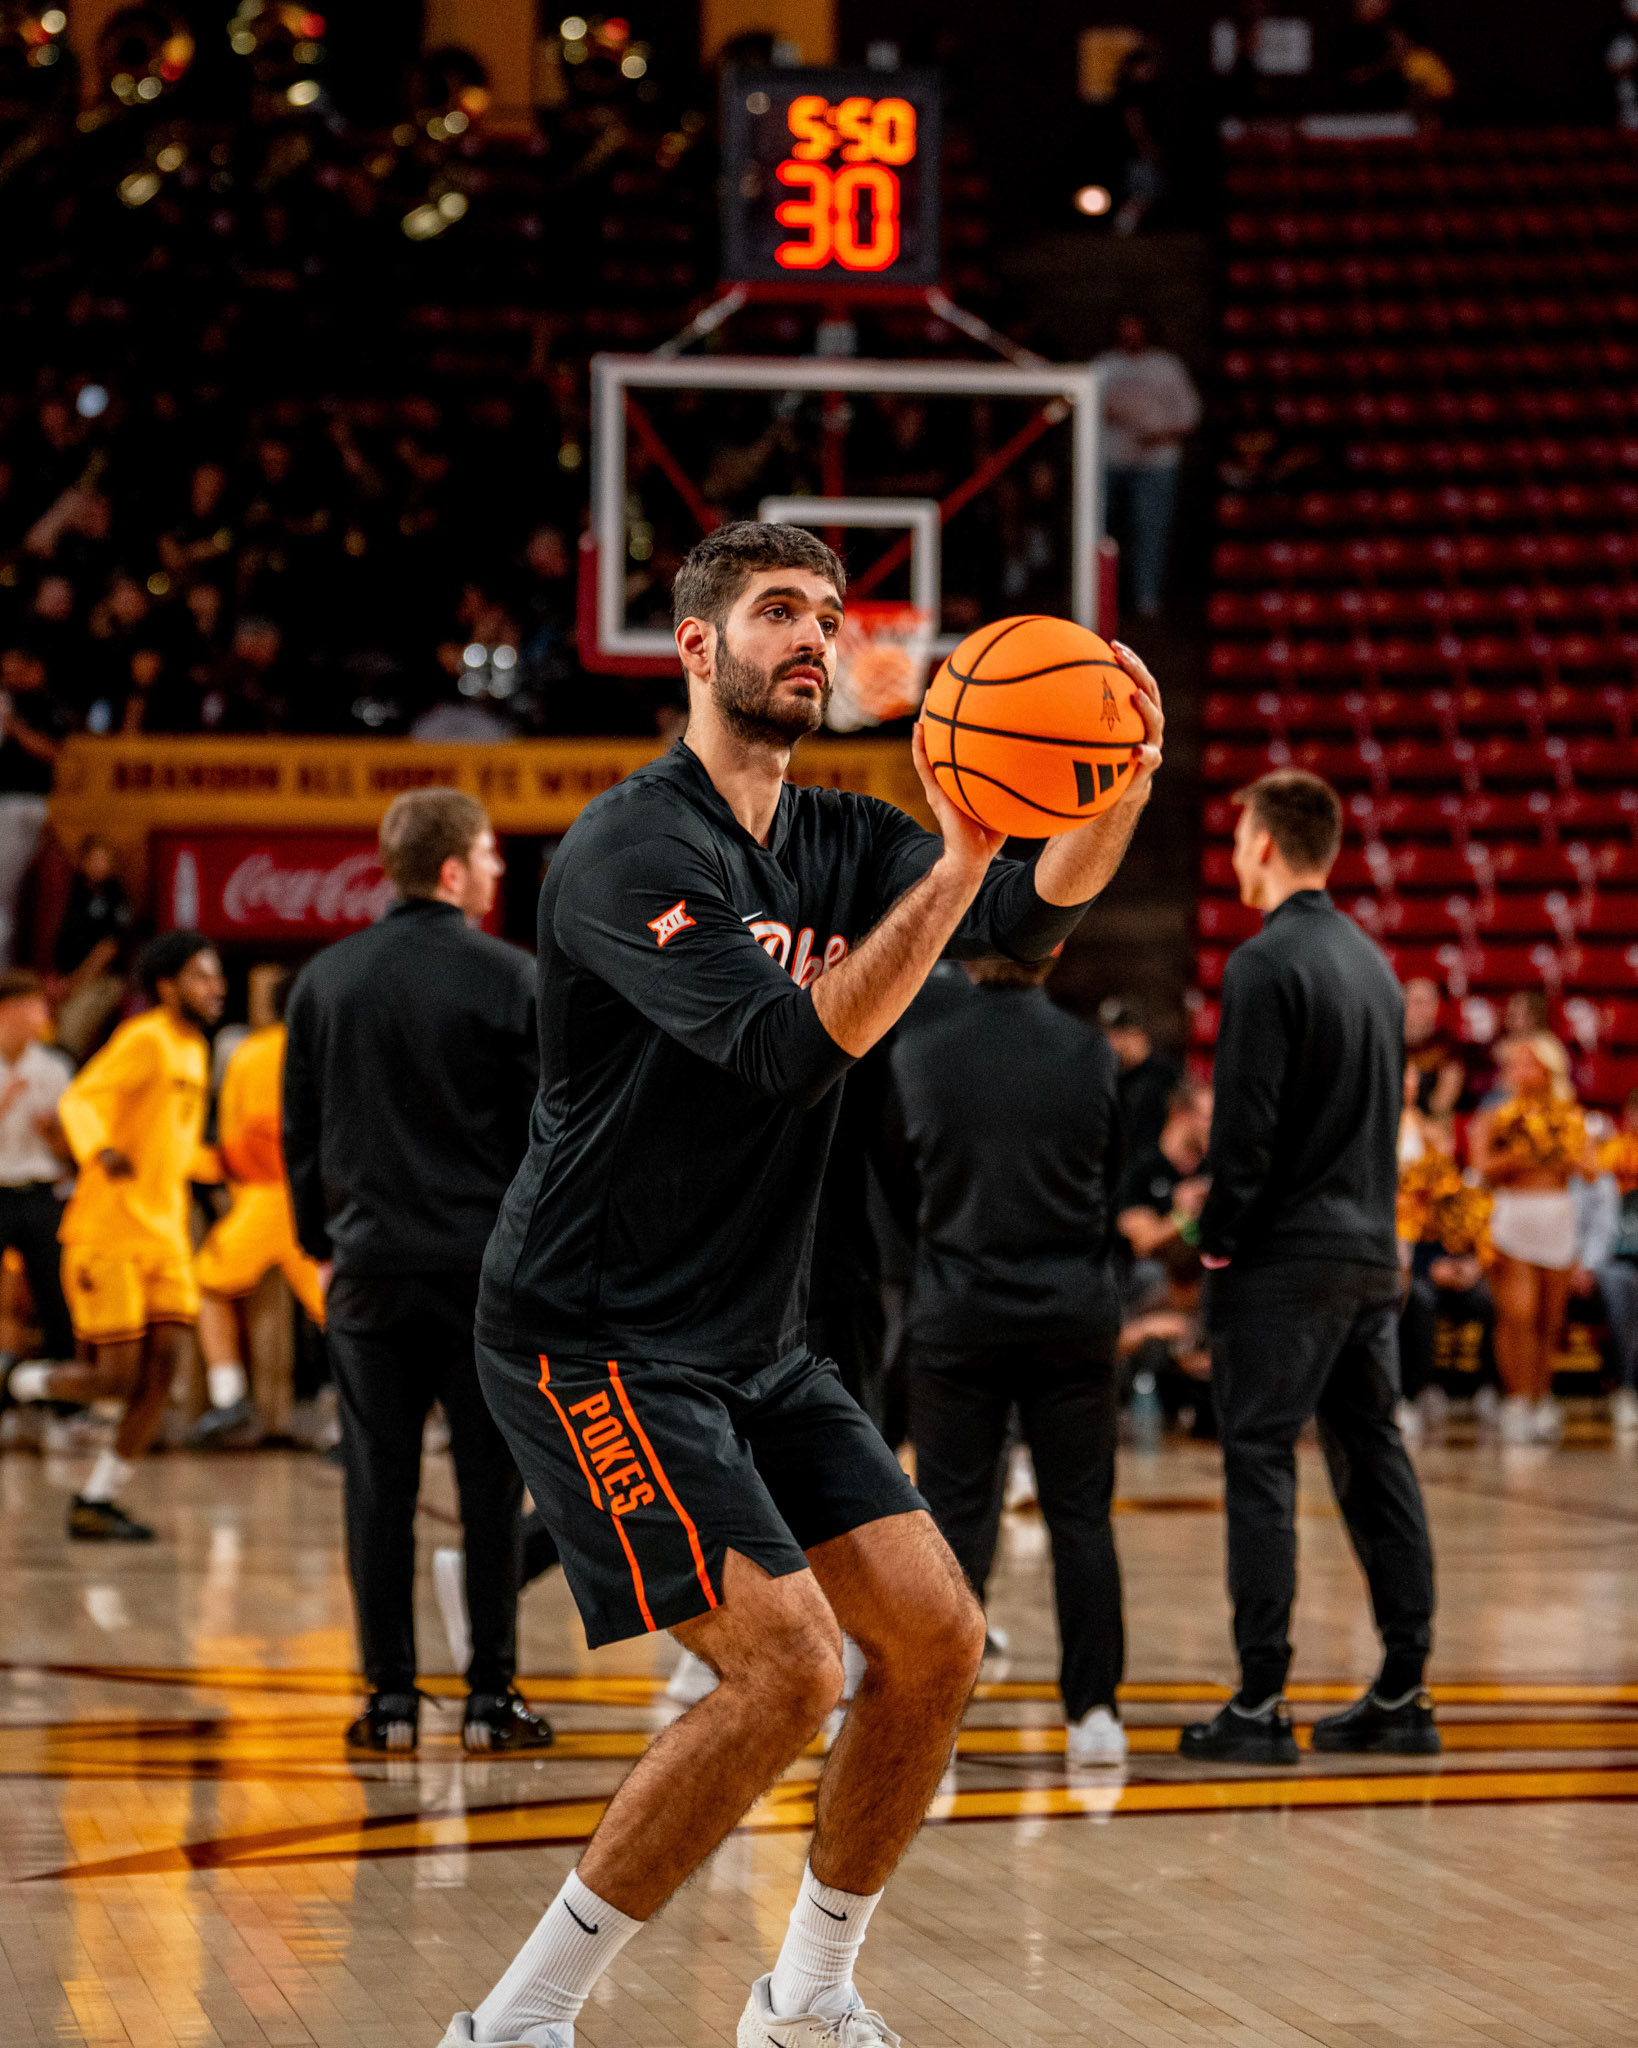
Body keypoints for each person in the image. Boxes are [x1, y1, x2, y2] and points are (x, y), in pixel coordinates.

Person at [447, 521, 1162, 2048]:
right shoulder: (630, 850)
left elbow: (1025, 922)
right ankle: (513, 2022)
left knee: (937, 1641)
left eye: (830, 617)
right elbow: (787, 1048)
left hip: (754, 1337)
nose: (815, 640)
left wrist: (1108, 790)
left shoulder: (844, 836)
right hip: (589, 1333)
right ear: (696, 647)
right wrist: (958, 859)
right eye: (779, 611)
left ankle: (807, 1997)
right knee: (785, 1671)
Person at [283, 787, 550, 1757]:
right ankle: (491, 1698)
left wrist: (323, 1243)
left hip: (368, 1272)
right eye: (488, 855)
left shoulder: (324, 980)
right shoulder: (514, 977)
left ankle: (389, 1700)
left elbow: (300, 1133)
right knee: (491, 1490)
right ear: (451, 869)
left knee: (377, 1485)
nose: (497, 870)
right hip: (486, 1277)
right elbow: (547, 1137)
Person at [1181, 769, 1438, 1765]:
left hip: (1285, 1258)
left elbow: (1245, 1132)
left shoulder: (1263, 962)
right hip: (1369, 1250)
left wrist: (1215, 1234)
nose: (1234, 853)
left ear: (1264, 843)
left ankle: (1259, 1702)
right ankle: (1405, 1689)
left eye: (1239, 835)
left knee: (1260, 1461)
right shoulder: (1374, 965)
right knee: (1376, 1462)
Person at [888, 951, 1129, 1767]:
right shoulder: (1092, 1052)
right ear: (1054, 949)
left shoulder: (919, 1052)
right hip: (1072, 1311)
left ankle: (937, 1716)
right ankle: (1095, 1713)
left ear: (968, 953)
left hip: (959, 1310)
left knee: (955, 1517)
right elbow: (1114, 1182)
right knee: (1081, 1516)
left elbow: (897, 1183)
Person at [0, 932, 225, 1539]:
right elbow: (80, 1101)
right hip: (111, 1231)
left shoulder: (195, 1049)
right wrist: (100, 1149)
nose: (217, 987)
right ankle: (16, 1379)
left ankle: (98, 1498)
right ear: (167, 986)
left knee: (163, 1370)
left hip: (166, 1233)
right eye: (202, 976)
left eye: (217, 976)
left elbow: (174, 1144)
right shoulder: (144, 1038)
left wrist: (224, 1162)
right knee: (115, 1380)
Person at [189, 967, 326, 1446]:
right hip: (320, 1203)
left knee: (206, 1287)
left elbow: (245, 1141)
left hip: (265, 1202)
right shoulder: (328, 1048)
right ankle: (368, 1421)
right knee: (344, 1316)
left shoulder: (251, 1052)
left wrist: (204, 1165)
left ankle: (228, 1396)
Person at [1468, 1034, 1589, 1445]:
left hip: (1557, 1217)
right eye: (1515, 1064)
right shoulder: (1496, 1116)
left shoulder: (1570, 1116)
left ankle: (1542, 1397)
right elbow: (1479, 1166)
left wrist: (1559, 1149)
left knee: (1549, 1319)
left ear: (1550, 1070)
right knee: (1518, 1315)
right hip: (1513, 1216)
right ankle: (1517, 1401)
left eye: (1530, 1063)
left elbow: (1591, 1168)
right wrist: (1521, 1153)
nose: (1520, 1071)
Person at [1093, 313, 1201, 618]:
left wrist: (1160, 435)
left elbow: (1190, 414)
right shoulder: (1104, 366)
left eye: (1137, 329)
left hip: (1156, 463)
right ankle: (1100, 599)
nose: (1131, 335)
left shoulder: (1166, 366)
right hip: (1110, 462)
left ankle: (1146, 598)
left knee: (1150, 532)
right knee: (1100, 533)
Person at [0, 969, 75, 1372]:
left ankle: (60, 1386)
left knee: (56, 1293)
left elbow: (72, 1149)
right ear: (7, 1011)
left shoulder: (54, 1067)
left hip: (41, 1191)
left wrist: (54, 1134)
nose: (43, 1014)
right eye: (34, 1006)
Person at [1113, 1076, 1213, 1304]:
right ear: (1181, 1115)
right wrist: (1184, 1214)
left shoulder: (1210, 1171)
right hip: (1151, 1281)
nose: (1215, 1126)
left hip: (1203, 1273)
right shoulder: (1142, 1168)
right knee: (1150, 1273)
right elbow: (1143, 1242)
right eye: (1209, 1117)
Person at [51, 833, 134, 1061]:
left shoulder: (116, 897)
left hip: (102, 979)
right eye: (94, 859)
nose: (99, 865)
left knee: (70, 1028)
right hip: (66, 978)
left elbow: (108, 949)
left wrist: (76, 982)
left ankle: (66, 1068)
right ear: (82, 861)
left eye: (104, 860)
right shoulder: (73, 892)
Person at [1098, 993, 1181, 1159]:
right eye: (1109, 1035)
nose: (1113, 1044)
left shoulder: (1165, 1077)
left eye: (1121, 1034)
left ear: (1140, 1034)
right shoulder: (1108, 1077)